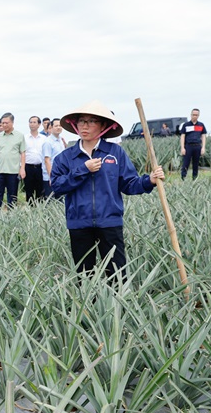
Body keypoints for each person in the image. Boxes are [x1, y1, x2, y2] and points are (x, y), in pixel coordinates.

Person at [51, 100, 164, 281]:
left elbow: (129, 184)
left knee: (118, 275)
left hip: (109, 221)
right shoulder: (66, 157)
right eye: (81, 121)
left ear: (103, 126)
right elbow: (57, 186)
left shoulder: (115, 153)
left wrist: (149, 180)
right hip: (79, 223)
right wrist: (83, 170)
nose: (84, 126)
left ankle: (119, 308)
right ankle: (89, 309)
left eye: (91, 122)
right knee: (84, 276)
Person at [0, 112, 25, 209]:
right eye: (3, 123)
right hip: (0, 170)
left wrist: (22, 168)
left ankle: (12, 216)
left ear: (12, 122)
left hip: (13, 171)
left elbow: (22, 153)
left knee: (12, 195)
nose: (4, 125)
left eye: (7, 123)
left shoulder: (20, 136)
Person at [180, 108, 207, 180]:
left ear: (198, 115)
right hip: (188, 146)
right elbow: (182, 136)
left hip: (197, 146)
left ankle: (194, 179)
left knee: (196, 164)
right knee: (186, 163)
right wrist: (182, 148)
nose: (195, 116)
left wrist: (203, 147)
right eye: (193, 115)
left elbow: (203, 136)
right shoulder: (186, 125)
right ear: (191, 115)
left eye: (196, 115)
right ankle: (183, 178)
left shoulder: (201, 125)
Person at [24, 116, 46, 203]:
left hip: (40, 167)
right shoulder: (24, 138)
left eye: (34, 122)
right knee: (29, 190)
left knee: (40, 190)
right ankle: (30, 211)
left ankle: (39, 211)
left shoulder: (44, 138)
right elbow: (21, 153)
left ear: (39, 124)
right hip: (28, 167)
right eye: (30, 122)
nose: (32, 124)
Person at [42, 118, 66, 197]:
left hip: (60, 176)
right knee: (51, 202)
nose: (58, 127)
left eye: (60, 126)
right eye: (56, 126)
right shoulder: (48, 142)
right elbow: (47, 160)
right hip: (51, 177)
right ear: (51, 128)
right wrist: (51, 177)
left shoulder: (61, 141)